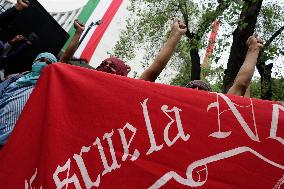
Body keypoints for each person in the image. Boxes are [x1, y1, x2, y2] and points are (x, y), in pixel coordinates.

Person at [94, 19, 187, 80]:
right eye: (103, 63)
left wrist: (176, 34)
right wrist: (79, 34)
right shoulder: (83, 80)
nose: (106, 66)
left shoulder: (125, 91)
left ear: (122, 76)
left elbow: (154, 71)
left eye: (113, 67)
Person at [0, 52, 57, 148]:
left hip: (8, 140)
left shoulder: (46, 87)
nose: (43, 64)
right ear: (34, 62)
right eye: (42, 60)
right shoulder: (15, 78)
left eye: (48, 63)